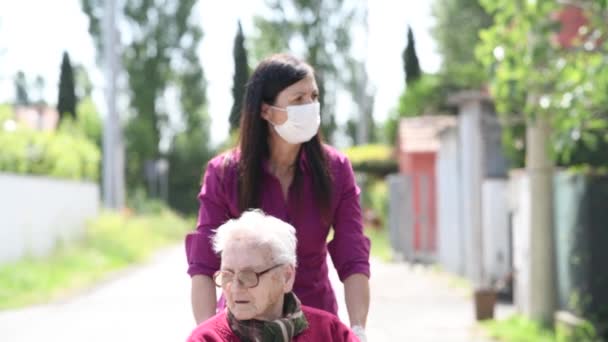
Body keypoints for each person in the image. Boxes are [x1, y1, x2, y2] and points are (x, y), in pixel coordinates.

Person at [185, 53, 370, 340]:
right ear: (265, 111)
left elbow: (353, 254)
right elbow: (204, 264)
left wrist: (358, 328)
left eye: (314, 96)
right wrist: (209, 332)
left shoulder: (336, 169)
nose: (310, 106)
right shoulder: (224, 173)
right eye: (298, 100)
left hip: (317, 329)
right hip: (243, 328)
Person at [186, 210, 360, 341]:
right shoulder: (206, 338)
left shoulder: (330, 333)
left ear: (286, 277)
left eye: (249, 275)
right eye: (227, 275)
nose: (235, 288)